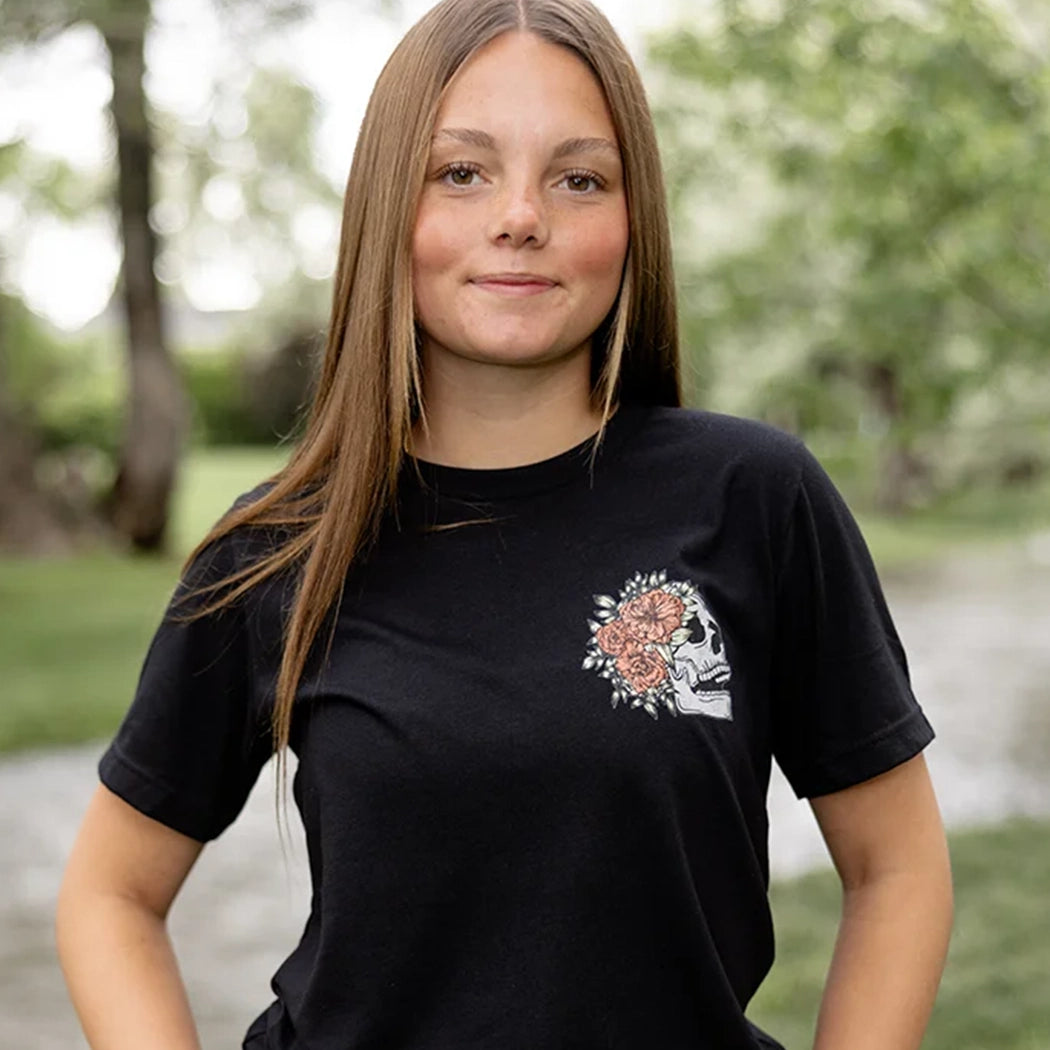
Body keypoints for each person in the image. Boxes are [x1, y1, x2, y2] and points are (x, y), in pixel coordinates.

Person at [55, 0, 953, 1047]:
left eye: (579, 177)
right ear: (392, 204)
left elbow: (898, 868)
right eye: (463, 171)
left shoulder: (753, 497)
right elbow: (109, 896)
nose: (522, 215)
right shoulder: (280, 545)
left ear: (633, 218)